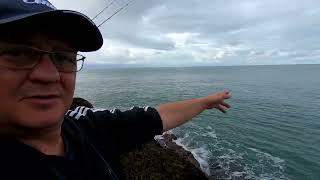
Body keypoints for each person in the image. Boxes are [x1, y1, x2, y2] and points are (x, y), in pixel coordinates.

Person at [0, 0, 231, 179]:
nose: (50, 75)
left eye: (63, 57)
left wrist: (204, 102)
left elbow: (157, 116)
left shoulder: (86, 126)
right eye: (18, 53)